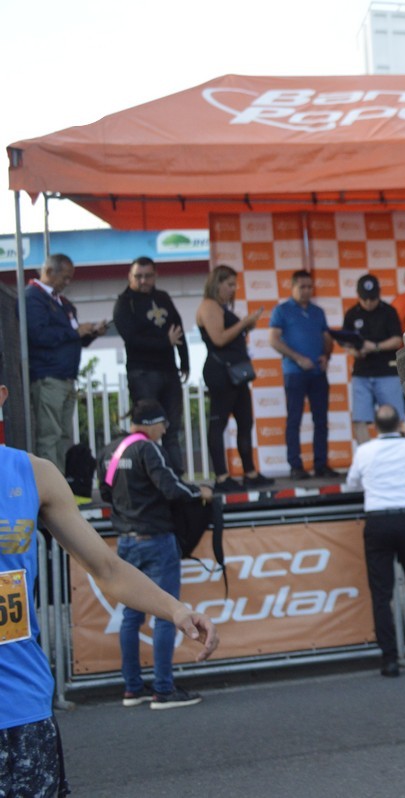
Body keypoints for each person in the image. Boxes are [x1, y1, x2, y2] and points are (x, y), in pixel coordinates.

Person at [0, 381, 218, 797]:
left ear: (1, 397)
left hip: (22, 711)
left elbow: (107, 568)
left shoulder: (34, 474)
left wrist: (176, 610)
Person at [97, 400, 215, 710]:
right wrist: (200, 491)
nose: (164, 430)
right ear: (150, 423)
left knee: (130, 616)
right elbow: (172, 488)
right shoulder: (148, 448)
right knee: (167, 614)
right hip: (156, 540)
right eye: (163, 424)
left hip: (125, 542)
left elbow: (106, 493)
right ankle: (163, 690)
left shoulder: (110, 450)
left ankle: (132, 689)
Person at [344, 404, 405, 677]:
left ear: (374, 426)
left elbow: (352, 484)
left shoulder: (364, 450)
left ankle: (390, 660)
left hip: (378, 521)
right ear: (399, 423)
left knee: (381, 594)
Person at [25, 253, 107, 472]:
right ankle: (49, 486)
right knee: (49, 436)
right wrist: (75, 332)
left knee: (62, 435)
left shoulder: (62, 302)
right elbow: (38, 335)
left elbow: (72, 338)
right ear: (49, 271)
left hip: (66, 377)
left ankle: (58, 482)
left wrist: (91, 333)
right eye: (65, 276)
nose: (68, 282)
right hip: (48, 376)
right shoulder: (33, 297)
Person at [195, 265, 274, 493]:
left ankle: (250, 473)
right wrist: (243, 323)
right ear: (217, 284)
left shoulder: (220, 307)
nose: (233, 289)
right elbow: (219, 339)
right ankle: (222, 477)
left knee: (245, 421)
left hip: (236, 372)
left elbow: (231, 336)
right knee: (218, 423)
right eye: (229, 284)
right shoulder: (209, 306)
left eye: (234, 284)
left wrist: (246, 327)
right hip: (221, 372)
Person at [112, 256, 189, 474]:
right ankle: (147, 477)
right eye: (138, 276)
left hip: (169, 371)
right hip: (142, 373)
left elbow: (178, 328)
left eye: (148, 276)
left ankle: (175, 478)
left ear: (156, 276)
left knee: (172, 429)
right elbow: (132, 339)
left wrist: (185, 361)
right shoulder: (124, 303)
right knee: (146, 428)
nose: (143, 281)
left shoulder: (162, 297)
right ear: (129, 276)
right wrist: (165, 342)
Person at [269, 270, 335, 480]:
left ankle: (321, 464)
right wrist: (298, 358)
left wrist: (326, 355)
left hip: (317, 372)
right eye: (302, 287)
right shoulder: (282, 310)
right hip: (294, 373)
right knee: (294, 419)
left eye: (309, 287)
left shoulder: (318, 311)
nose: (306, 291)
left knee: (321, 420)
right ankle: (295, 465)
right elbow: (274, 340)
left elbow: (327, 338)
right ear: (292, 287)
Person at [343, 274, 405, 444]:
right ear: (358, 295)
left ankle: (399, 455)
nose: (369, 302)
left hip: (387, 371)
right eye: (365, 299)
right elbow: (345, 341)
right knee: (360, 418)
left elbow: (397, 340)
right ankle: (365, 455)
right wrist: (354, 351)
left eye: (372, 298)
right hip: (362, 372)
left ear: (379, 294)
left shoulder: (388, 311)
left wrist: (375, 346)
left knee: (396, 417)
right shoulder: (352, 314)